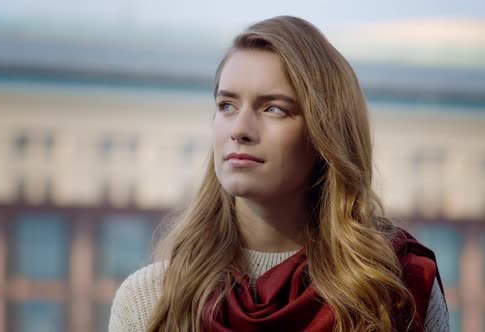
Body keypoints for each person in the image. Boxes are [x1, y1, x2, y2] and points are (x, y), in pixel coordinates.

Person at [109, 16, 449, 332]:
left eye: (274, 108)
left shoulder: (398, 288)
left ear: (324, 135)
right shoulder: (151, 301)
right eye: (226, 105)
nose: (240, 129)